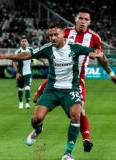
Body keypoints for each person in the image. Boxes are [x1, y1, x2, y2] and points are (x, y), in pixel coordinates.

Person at [0, 22, 103, 160]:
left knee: (76, 114)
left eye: (56, 34)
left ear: (63, 34)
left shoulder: (75, 47)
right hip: (52, 89)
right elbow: (27, 55)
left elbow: (92, 51)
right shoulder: (48, 48)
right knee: (36, 118)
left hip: (70, 90)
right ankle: (38, 130)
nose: (53, 38)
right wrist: (4, 56)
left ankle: (68, 153)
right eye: (50, 35)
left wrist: (95, 54)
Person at [33, 7, 116, 153]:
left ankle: (85, 140)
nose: (83, 21)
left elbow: (101, 57)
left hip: (76, 80)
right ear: (76, 19)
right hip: (56, 77)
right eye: (80, 18)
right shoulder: (64, 31)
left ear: (89, 22)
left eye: (86, 19)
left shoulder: (95, 38)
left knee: (80, 111)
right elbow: (49, 47)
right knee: (35, 101)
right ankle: (38, 128)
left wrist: (110, 73)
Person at [12, 35, 33, 109]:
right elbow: (14, 62)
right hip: (20, 73)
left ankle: (27, 103)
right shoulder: (18, 52)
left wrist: (43, 60)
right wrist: (17, 72)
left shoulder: (31, 49)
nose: (24, 42)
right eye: (22, 41)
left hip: (28, 73)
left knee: (27, 87)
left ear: (27, 43)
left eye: (25, 41)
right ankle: (21, 103)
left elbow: (36, 55)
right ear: (20, 43)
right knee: (20, 88)